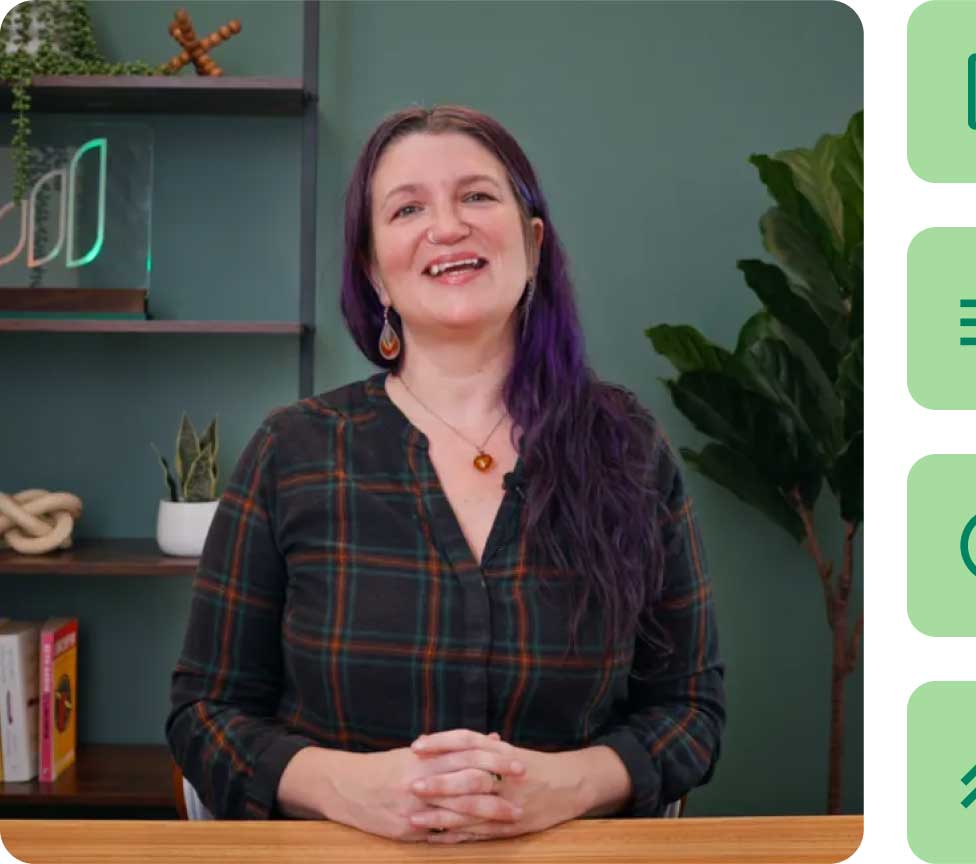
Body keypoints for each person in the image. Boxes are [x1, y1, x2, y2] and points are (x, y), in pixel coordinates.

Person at [166, 104, 725, 844]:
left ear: (532, 242)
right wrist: (345, 787)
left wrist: (570, 785)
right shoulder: (292, 451)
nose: (448, 226)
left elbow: (690, 708)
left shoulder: (627, 447)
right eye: (407, 208)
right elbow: (204, 712)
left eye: (477, 196)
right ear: (373, 270)